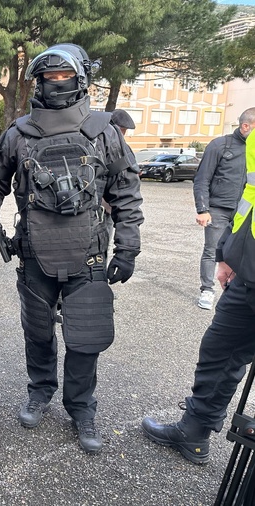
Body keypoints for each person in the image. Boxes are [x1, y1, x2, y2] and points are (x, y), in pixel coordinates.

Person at [0, 44, 144, 454]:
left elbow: (127, 191)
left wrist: (128, 247)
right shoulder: (18, 133)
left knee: (85, 336)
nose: (55, 83)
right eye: (47, 77)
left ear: (80, 78)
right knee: (37, 331)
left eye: (63, 76)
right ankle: (40, 390)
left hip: (88, 256)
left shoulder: (104, 132)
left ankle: (82, 408)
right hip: (34, 255)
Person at [142, 132, 255, 464]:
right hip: (247, 272)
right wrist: (228, 254)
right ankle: (194, 432)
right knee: (219, 353)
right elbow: (247, 198)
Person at [193, 108, 255, 310]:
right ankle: (207, 290)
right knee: (212, 251)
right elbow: (202, 179)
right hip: (218, 209)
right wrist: (202, 209)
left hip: (243, 213)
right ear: (246, 126)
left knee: (242, 252)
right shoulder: (219, 145)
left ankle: (234, 290)